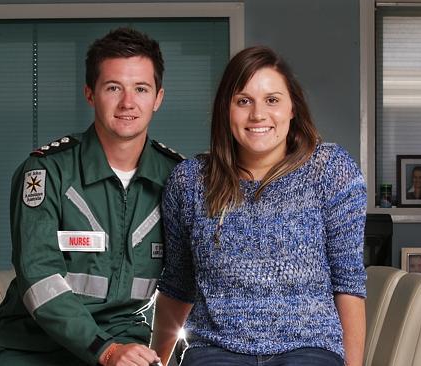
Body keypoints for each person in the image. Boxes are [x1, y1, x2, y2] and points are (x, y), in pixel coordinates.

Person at [151, 46, 367, 366]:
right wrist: (157, 359)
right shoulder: (190, 181)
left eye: (272, 100)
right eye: (243, 101)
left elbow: (348, 285)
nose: (258, 115)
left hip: (308, 348)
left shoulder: (330, 170)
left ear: (293, 108)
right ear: (226, 109)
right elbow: (177, 286)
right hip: (216, 350)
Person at [0, 27, 182, 366]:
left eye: (141, 89)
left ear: (158, 98)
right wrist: (105, 350)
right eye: (113, 87)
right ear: (90, 94)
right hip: (36, 347)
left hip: (131, 343)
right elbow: (39, 276)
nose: (128, 102)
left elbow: (189, 281)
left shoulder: (178, 179)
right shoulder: (46, 173)